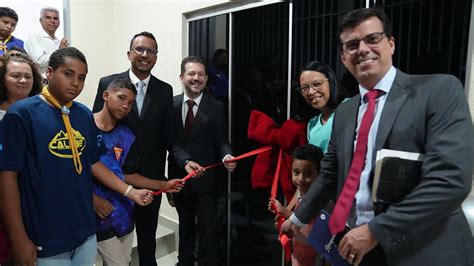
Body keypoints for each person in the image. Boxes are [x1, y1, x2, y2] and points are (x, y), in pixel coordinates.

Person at [282, 7, 473, 266]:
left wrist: (375, 231)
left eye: (372, 39)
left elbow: (450, 179)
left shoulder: (438, 91)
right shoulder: (347, 111)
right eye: (351, 45)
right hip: (356, 250)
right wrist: (297, 218)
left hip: (421, 249)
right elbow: (330, 173)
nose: (362, 49)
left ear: (391, 44)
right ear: (343, 58)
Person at [0, 47, 153, 266]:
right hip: (47, 232)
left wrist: (131, 192)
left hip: (84, 230)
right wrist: (19, 238)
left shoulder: (82, 114)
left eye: (81, 78)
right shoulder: (22, 113)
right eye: (68, 74)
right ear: (49, 73)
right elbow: (7, 178)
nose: (75, 83)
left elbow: (93, 163)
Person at [92, 32, 199, 266]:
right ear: (129, 53)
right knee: (112, 244)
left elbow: (169, 135)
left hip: (150, 176)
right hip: (114, 180)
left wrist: (184, 161)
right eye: (139, 49)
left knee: (147, 240)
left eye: (151, 51)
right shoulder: (108, 83)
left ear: (156, 57)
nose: (144, 55)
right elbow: (96, 132)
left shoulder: (164, 90)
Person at [93, 78, 185, 265]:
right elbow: (78, 169)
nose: (126, 106)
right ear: (106, 95)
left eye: (131, 103)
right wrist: (92, 199)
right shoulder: (84, 125)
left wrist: (163, 185)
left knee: (124, 260)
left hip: (124, 210)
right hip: (99, 212)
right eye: (121, 98)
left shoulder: (127, 137)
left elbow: (127, 174)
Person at [168, 56, 236, 266]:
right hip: (179, 180)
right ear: (182, 77)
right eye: (191, 74)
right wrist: (184, 163)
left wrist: (226, 156)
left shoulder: (216, 107)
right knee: (185, 229)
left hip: (206, 184)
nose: (196, 78)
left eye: (201, 74)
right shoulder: (171, 104)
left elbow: (221, 140)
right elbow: (171, 141)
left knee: (209, 232)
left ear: (206, 78)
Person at [0, 52, 42, 264]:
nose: (23, 80)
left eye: (28, 76)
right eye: (16, 76)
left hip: (37, 198)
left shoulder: (43, 112)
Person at [268, 144, 324, 266]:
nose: (301, 179)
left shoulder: (320, 202)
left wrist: (284, 212)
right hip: (298, 257)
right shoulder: (300, 193)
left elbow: (310, 234)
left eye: (308, 174)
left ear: (319, 174)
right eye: (296, 172)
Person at [298, 61, 344, 153]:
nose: (310, 92)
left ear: (330, 82)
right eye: (305, 88)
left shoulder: (349, 108)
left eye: (317, 84)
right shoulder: (312, 124)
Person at [25, 7, 69, 76]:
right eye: (48, 18)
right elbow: (39, 62)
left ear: (59, 22)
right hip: (41, 82)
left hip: (56, 81)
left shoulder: (57, 41)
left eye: (55, 18)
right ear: (41, 20)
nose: (52, 21)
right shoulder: (34, 37)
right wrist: (60, 51)